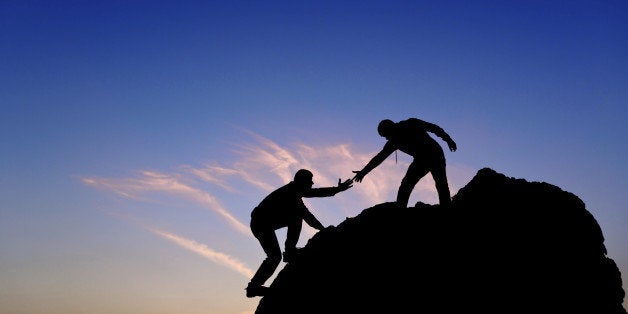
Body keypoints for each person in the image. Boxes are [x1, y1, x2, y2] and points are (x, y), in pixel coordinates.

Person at [246, 169, 353, 298]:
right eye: (310, 180)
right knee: (295, 219)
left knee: (275, 256)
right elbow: (308, 213)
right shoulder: (290, 193)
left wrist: (336, 190)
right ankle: (289, 252)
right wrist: (323, 229)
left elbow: (315, 195)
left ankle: (254, 286)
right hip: (261, 223)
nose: (312, 183)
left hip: (263, 223)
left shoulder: (294, 192)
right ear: (302, 182)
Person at [352, 118, 457, 207]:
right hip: (427, 157)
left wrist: (448, 139)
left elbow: (432, 128)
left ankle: (445, 208)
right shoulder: (393, 141)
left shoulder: (410, 124)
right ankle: (402, 209)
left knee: (438, 183)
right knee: (433, 184)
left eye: (386, 135)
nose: (386, 138)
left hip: (433, 155)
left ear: (390, 129)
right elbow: (379, 158)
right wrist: (363, 172)